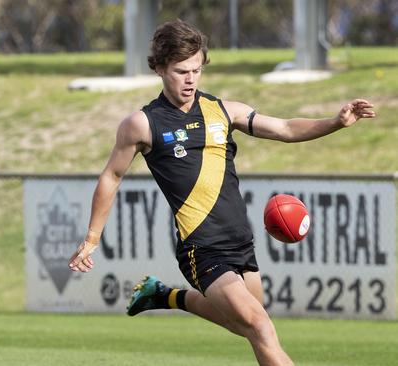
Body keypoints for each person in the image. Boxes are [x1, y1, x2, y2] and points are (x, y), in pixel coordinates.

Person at [68, 19, 375, 366]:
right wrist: (91, 238)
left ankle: (164, 296)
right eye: (181, 71)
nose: (190, 79)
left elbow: (286, 128)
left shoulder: (224, 111)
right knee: (261, 328)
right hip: (202, 249)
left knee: (244, 326)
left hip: (240, 243)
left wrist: (335, 122)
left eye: (196, 70)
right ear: (159, 68)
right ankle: (168, 295)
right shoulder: (142, 124)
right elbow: (112, 175)